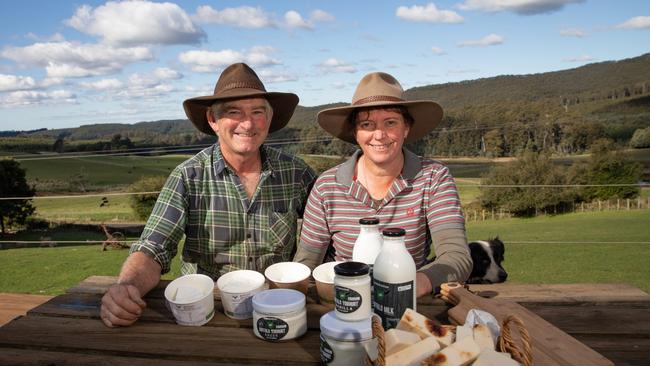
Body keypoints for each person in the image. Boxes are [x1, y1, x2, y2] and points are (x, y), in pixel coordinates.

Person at [101, 63, 316, 327]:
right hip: (208, 312)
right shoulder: (187, 176)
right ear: (213, 121)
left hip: (279, 308)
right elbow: (154, 247)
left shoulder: (297, 172)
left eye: (257, 112)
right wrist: (126, 287)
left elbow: (326, 231)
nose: (247, 123)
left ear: (269, 119)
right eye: (234, 112)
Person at [294, 71, 472, 297]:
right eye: (367, 124)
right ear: (356, 133)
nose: (379, 134)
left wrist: (410, 285)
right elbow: (307, 262)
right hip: (344, 302)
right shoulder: (327, 186)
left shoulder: (434, 177)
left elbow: (456, 256)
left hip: (409, 303)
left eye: (390, 122)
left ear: (406, 128)